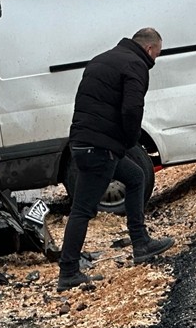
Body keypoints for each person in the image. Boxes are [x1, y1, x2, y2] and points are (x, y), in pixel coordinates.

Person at [58, 27, 175, 291]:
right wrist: (130, 141)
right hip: (99, 147)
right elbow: (132, 108)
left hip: (84, 141)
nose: (155, 60)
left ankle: (141, 242)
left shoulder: (102, 58)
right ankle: (68, 273)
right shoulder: (136, 65)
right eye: (157, 54)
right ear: (148, 49)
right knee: (82, 210)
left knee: (136, 177)